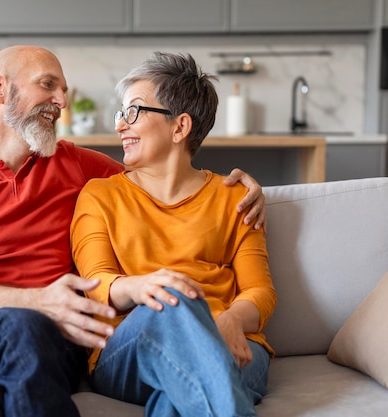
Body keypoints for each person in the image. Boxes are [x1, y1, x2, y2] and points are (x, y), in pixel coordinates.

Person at [0, 45, 267, 417]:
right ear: (0, 90)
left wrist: (245, 188)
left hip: (52, 343)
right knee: (20, 325)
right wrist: (40, 301)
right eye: (48, 85)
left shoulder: (77, 165)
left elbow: (161, 172)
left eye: (63, 90)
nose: (61, 100)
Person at [70, 51, 277, 417]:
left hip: (233, 339)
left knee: (174, 401)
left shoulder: (235, 199)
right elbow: (96, 283)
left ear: (179, 127)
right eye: (122, 113)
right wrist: (142, 287)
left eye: (134, 111)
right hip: (130, 348)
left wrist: (230, 320)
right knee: (172, 301)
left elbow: (260, 292)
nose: (121, 125)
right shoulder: (100, 196)